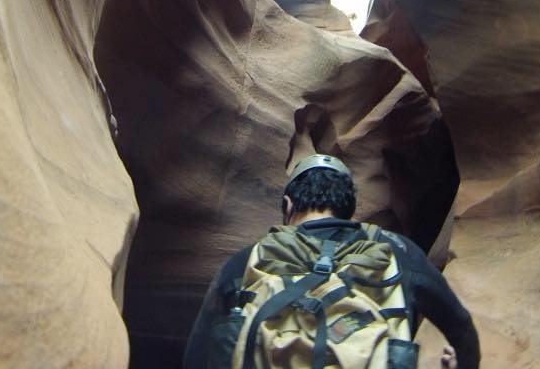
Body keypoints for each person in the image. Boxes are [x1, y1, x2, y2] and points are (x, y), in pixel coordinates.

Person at [184, 154, 480, 368]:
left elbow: (196, 356)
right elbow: (461, 328)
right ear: (349, 209)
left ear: (287, 205)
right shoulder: (398, 252)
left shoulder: (249, 261)